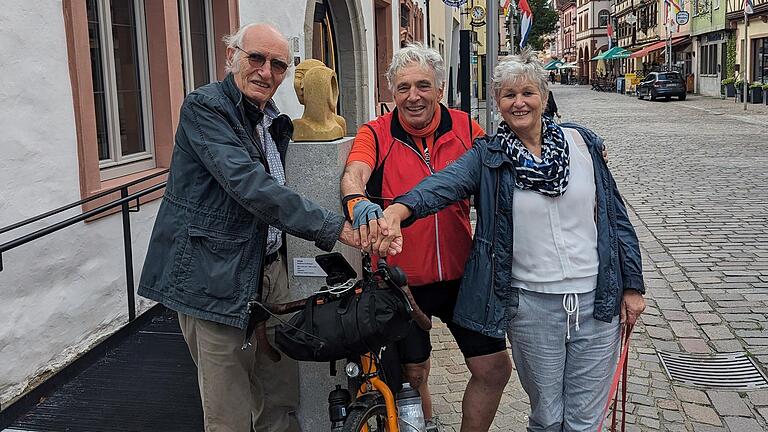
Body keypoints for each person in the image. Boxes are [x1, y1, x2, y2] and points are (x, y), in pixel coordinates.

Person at [377, 49, 646, 432]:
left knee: (587, 418)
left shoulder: (583, 145)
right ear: (498, 104)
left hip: (596, 303)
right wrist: (398, 211)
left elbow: (616, 219)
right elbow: (441, 185)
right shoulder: (489, 156)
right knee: (548, 416)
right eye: (508, 95)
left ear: (544, 97)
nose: (519, 102)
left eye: (528, 93)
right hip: (532, 306)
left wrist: (632, 286)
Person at [137, 23, 373, 432]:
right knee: (228, 412)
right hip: (213, 280)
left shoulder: (271, 120)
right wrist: (337, 228)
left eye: (278, 64)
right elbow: (253, 187)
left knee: (280, 396)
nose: (266, 71)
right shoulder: (205, 107)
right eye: (256, 58)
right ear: (232, 57)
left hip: (267, 273)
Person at [340, 43, 512, 432]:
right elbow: (354, 174)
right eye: (403, 87)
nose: (413, 96)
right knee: (413, 375)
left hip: (461, 277)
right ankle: (424, 426)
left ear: (440, 89)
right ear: (391, 92)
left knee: (494, 368)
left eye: (422, 85)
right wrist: (358, 202)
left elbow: (506, 163)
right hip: (401, 281)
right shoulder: (376, 133)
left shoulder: (468, 128)